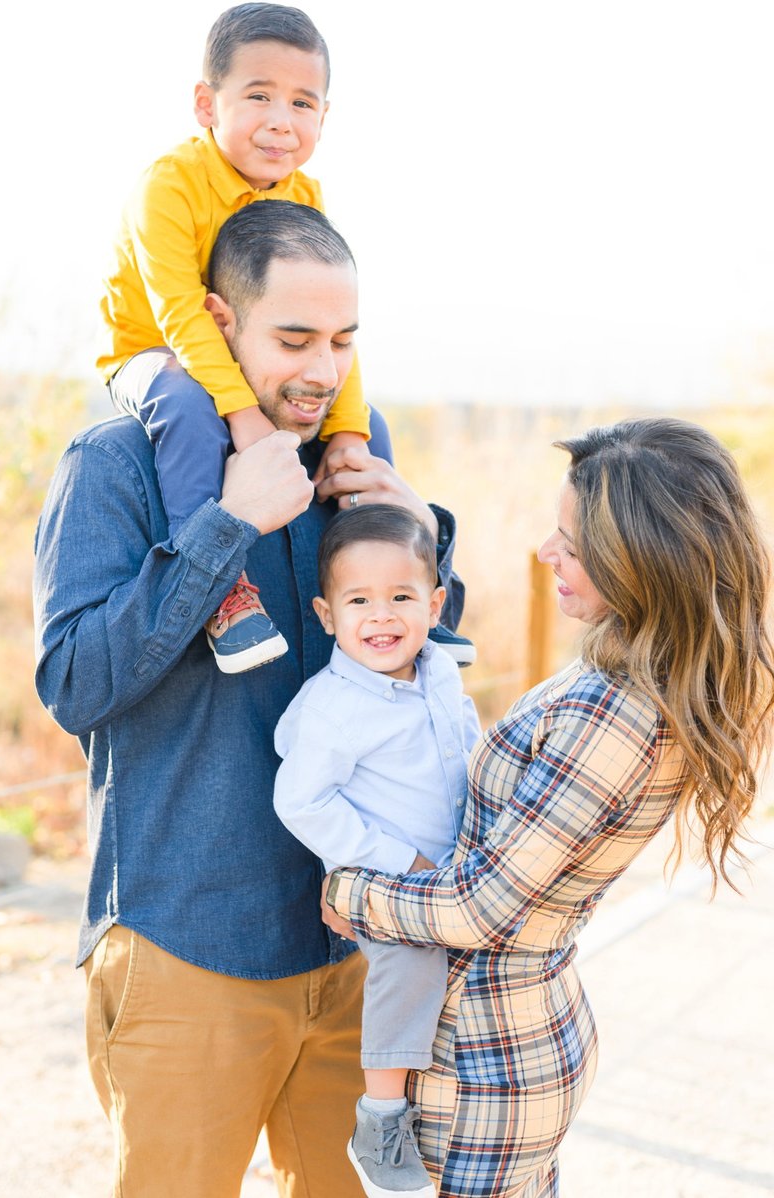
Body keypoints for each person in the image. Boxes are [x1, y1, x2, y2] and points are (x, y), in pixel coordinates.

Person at [33, 200, 465, 1198]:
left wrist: (409, 525)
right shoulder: (116, 464)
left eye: (344, 340)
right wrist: (225, 525)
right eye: (295, 339)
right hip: (193, 944)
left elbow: (417, 658)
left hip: (356, 943)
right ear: (220, 326)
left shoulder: (349, 459)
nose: (323, 368)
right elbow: (74, 681)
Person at [322, 417, 774, 1198]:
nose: (545, 552)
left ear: (640, 556)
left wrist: (349, 895)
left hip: (483, 1061)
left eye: (570, 539)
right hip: (515, 1033)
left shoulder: (614, 712)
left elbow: (483, 906)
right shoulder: (636, 672)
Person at [96, 1, 474, 673]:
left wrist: (350, 432)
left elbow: (329, 324)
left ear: (325, 117)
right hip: (150, 354)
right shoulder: (168, 188)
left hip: (244, 365)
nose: (281, 120)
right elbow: (182, 317)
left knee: (373, 435)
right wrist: (245, 422)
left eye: (303, 103)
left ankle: (400, 600)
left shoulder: (304, 197)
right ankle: (225, 595)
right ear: (207, 103)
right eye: (259, 96)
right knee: (186, 406)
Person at [273, 505, 482, 1198]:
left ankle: (437, 1093)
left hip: (453, 872)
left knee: (464, 980)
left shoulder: (441, 673)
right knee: (412, 962)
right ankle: (382, 1116)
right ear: (327, 615)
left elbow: (461, 746)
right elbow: (300, 800)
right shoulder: (336, 706)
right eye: (358, 601)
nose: (381, 616)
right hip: (386, 878)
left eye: (401, 597)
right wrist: (392, 863)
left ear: (435, 602)